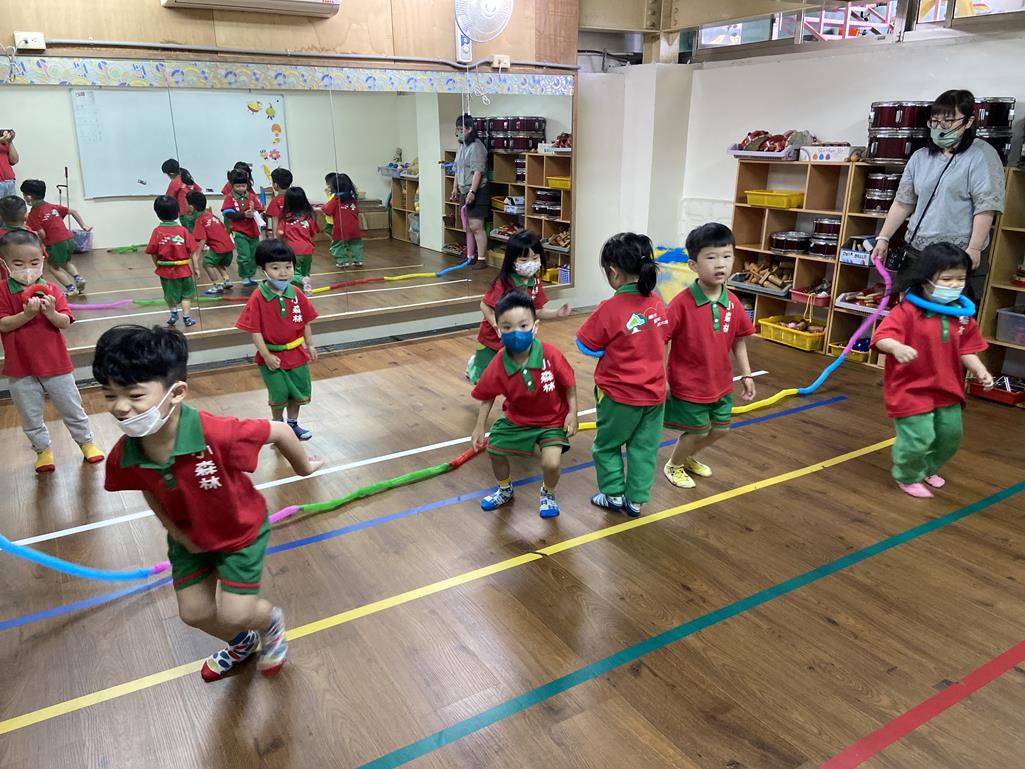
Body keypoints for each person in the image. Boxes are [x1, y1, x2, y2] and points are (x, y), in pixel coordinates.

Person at [96, 324, 323, 681]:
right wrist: (176, 533)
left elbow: (279, 431)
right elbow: (149, 488)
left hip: (239, 533)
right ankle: (243, 643)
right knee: (195, 613)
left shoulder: (215, 432)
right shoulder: (126, 453)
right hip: (190, 538)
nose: (121, 408)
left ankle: (270, 624)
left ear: (176, 392)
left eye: (135, 395)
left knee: (236, 612)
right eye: (110, 395)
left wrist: (304, 467)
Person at [872, 242, 992, 499]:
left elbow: (966, 349)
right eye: (946, 279)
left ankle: (925, 468)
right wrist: (896, 347)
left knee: (950, 437)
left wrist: (980, 370)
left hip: (947, 388)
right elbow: (882, 337)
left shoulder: (961, 315)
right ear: (926, 279)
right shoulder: (907, 311)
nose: (954, 285)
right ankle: (907, 475)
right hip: (910, 388)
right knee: (919, 436)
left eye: (960, 279)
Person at [871, 89, 1005, 298]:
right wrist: (884, 238)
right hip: (918, 252)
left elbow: (986, 206)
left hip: (957, 256)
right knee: (909, 310)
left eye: (948, 121)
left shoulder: (982, 155)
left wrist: (974, 248)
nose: (940, 127)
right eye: (934, 122)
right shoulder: (920, 157)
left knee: (952, 314)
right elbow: (903, 202)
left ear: (968, 122)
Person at [576, 232, 669, 518]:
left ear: (614, 271)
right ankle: (636, 500)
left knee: (607, 445)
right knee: (644, 449)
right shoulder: (656, 302)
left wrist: (609, 349)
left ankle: (613, 495)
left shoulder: (609, 308)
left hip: (619, 396)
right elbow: (662, 337)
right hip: (654, 394)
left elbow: (585, 344)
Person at [0, 230, 104, 472]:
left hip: (56, 364)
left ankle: (86, 443)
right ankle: (42, 450)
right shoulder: (3, 291)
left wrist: (50, 313)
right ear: (4, 263)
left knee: (72, 408)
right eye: (18, 264)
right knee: (30, 415)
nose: (28, 269)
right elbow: (3, 324)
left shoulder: (52, 289)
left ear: (43, 259)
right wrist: (27, 314)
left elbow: (65, 321)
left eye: (34, 262)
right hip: (20, 369)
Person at [662, 224, 756, 489]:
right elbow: (662, 340)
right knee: (698, 430)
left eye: (727, 256)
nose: (720, 264)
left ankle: (686, 456)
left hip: (721, 382)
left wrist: (746, 374)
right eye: (711, 257)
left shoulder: (733, 302)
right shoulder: (680, 303)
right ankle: (674, 464)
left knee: (721, 428)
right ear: (693, 265)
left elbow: (739, 341)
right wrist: (662, 377)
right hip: (689, 383)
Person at [471, 291, 578, 519]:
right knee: (494, 450)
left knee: (551, 464)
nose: (516, 333)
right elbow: (487, 394)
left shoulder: (550, 354)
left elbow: (569, 384)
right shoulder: (499, 362)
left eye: (523, 325)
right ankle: (505, 489)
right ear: (498, 330)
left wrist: (572, 413)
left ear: (535, 327)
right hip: (517, 420)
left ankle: (548, 493)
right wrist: (479, 426)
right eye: (507, 327)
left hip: (552, 421)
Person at [234, 239, 319, 441]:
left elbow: (306, 321)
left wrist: (310, 345)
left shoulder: (296, 293)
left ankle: (292, 425)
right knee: (279, 393)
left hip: (297, 354)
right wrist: (266, 355)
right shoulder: (258, 297)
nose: (283, 273)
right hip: (273, 356)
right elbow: (255, 331)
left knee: (297, 392)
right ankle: (278, 426)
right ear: (262, 269)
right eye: (275, 268)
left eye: (288, 267)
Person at [468, 229, 570, 383]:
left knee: (514, 376)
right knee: (482, 378)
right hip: (491, 338)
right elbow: (485, 306)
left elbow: (537, 311)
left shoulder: (535, 283)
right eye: (523, 260)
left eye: (535, 258)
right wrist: (496, 325)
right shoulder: (504, 282)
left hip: (518, 338)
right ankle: (473, 366)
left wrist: (557, 313)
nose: (530, 263)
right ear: (512, 260)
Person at [21, 178, 92, 295]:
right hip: (69, 239)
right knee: (65, 262)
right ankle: (78, 278)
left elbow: (42, 234)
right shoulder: (52, 206)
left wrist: (37, 244)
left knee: (53, 268)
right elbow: (73, 211)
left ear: (29, 197)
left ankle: (71, 288)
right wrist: (83, 225)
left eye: (24, 195)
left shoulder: (33, 214)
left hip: (55, 243)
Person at [146, 195, 198, 327]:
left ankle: (174, 313)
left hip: (166, 270)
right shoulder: (183, 230)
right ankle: (186, 317)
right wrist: (196, 268)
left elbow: (153, 252)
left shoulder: (157, 232)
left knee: (169, 294)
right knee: (187, 295)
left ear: (157, 213)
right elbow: (192, 251)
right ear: (177, 212)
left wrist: (158, 265)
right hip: (184, 270)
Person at [450, 114, 489, 269]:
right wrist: (455, 188)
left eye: (461, 129)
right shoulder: (461, 146)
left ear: (470, 129)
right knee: (467, 226)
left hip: (477, 190)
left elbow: (478, 171)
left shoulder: (476, 146)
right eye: (457, 129)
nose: (458, 132)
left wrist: (472, 192)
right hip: (463, 189)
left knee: (476, 226)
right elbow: (457, 169)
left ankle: (481, 259)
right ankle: (469, 257)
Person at [186, 191, 235, 296]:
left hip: (218, 248)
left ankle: (217, 285)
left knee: (207, 263)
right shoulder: (212, 216)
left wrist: (196, 258)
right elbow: (224, 229)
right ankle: (227, 280)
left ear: (191, 207)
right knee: (217, 261)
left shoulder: (200, 220)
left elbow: (202, 240)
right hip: (229, 247)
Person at [222, 169, 264, 287]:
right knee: (244, 255)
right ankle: (245, 276)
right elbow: (227, 213)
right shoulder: (230, 197)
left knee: (254, 255)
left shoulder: (251, 196)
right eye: (237, 186)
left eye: (243, 186)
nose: (240, 188)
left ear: (247, 185)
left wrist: (254, 211)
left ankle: (251, 275)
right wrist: (243, 215)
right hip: (239, 231)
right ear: (232, 185)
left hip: (253, 231)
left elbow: (259, 210)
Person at [276, 186, 320, 296]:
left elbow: (280, 233)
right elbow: (314, 233)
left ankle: (301, 282)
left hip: (293, 250)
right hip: (308, 250)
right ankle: (305, 290)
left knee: (293, 274)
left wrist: (280, 242)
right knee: (305, 272)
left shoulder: (285, 217)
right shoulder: (309, 216)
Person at [321, 173, 362, 269]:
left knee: (338, 245)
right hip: (354, 227)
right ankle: (358, 260)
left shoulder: (336, 199)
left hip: (340, 227)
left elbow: (327, 210)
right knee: (356, 244)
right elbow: (357, 211)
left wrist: (323, 207)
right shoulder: (353, 199)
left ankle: (343, 262)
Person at [161, 159, 201, 228]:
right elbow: (199, 190)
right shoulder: (187, 178)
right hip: (197, 211)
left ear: (171, 173)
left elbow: (168, 199)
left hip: (185, 213)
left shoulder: (175, 182)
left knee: (189, 233)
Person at [0, 129, 19, 199]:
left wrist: (10, 141)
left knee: (12, 205)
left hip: (9, 181)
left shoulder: (4, 143)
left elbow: (14, 160)